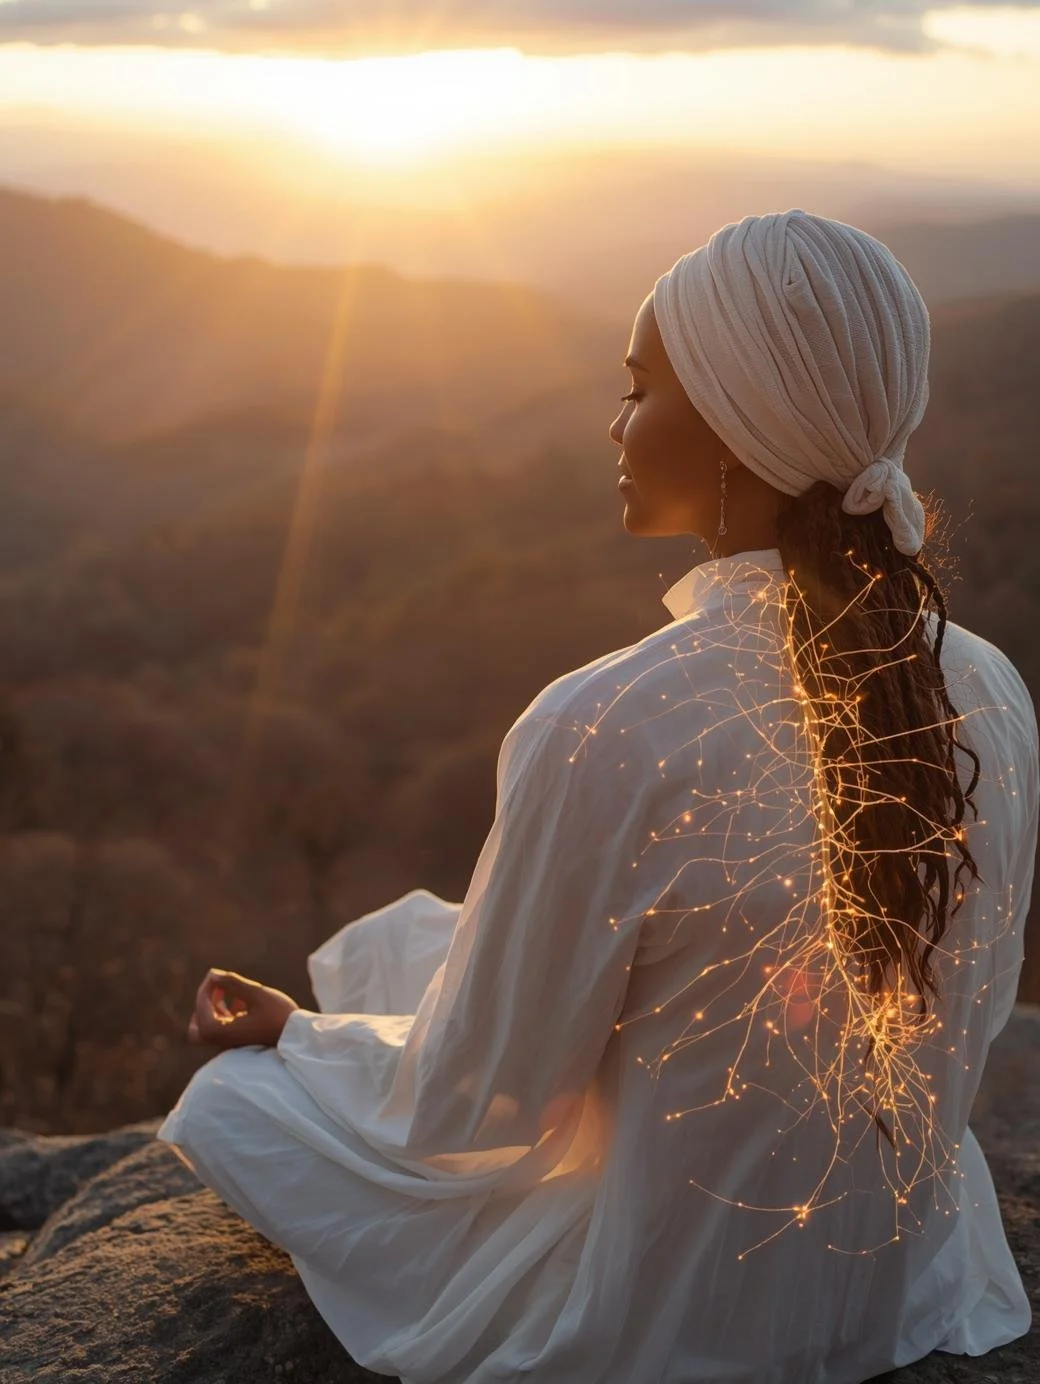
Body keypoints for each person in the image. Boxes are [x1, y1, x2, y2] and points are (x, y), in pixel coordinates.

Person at [158, 210, 1038, 1384]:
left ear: (731, 424)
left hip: (665, 1311)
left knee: (232, 1099)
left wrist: (301, 1044)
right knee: (429, 949)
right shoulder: (983, 686)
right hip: (895, 1281)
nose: (614, 422)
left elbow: (480, 1109)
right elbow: (957, 1032)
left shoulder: (607, 723)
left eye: (637, 388)